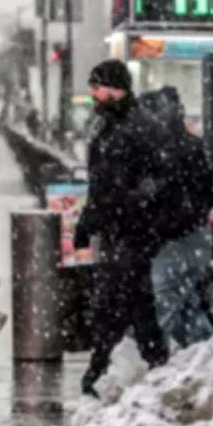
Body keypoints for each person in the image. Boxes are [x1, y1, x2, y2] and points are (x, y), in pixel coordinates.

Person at [74, 60, 182, 398]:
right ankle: (156, 360)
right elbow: (101, 184)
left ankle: (98, 368)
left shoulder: (140, 127)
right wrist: (88, 220)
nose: (93, 94)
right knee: (136, 299)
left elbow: (164, 178)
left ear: (117, 88)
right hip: (116, 228)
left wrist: (131, 202)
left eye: (98, 87)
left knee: (114, 297)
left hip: (133, 229)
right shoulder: (108, 125)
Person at [139, 86, 213, 346]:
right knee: (187, 310)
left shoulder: (170, 152)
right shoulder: (185, 147)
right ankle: (210, 360)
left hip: (178, 239)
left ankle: (146, 370)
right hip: (187, 236)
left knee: (162, 306)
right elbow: (210, 193)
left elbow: (172, 198)